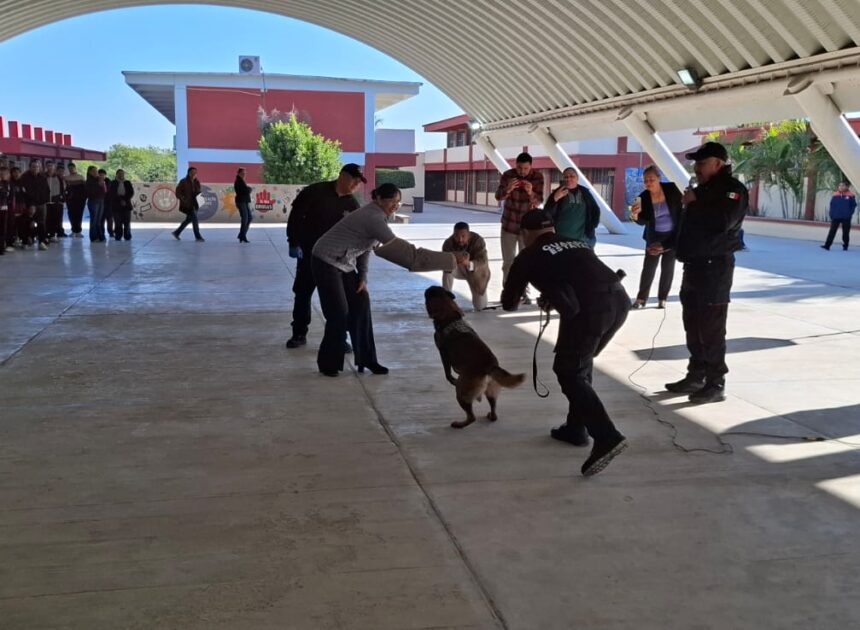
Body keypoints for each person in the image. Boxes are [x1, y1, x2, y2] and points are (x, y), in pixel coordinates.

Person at [501, 209, 629, 477]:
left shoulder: (528, 255)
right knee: (581, 364)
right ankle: (575, 428)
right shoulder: (575, 242)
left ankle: (606, 436)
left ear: (525, 234)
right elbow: (576, 278)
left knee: (569, 371)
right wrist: (551, 292)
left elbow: (509, 303)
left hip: (591, 310)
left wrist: (528, 287)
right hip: (619, 300)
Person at [311, 183, 465, 377]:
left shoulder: (378, 217)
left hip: (344, 263)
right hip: (325, 260)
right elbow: (410, 257)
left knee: (361, 303)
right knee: (339, 312)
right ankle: (328, 363)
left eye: (399, 202)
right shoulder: (372, 217)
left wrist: (363, 277)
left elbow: (366, 249)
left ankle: (367, 360)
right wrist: (451, 258)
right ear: (379, 199)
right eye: (392, 200)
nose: (396, 205)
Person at [660, 141, 748, 404]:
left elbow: (722, 222)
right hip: (694, 266)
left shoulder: (732, 191)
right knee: (693, 324)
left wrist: (695, 203)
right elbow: (688, 226)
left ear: (718, 164)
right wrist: (665, 244)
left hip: (715, 268)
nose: (696, 168)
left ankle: (715, 382)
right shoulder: (702, 190)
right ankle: (696, 374)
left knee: (711, 328)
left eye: (701, 163)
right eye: (695, 163)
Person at [285, 163, 365, 348]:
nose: (356, 184)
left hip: (336, 261)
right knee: (303, 293)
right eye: (354, 179)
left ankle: (339, 338)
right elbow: (296, 217)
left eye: (359, 182)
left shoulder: (352, 204)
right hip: (308, 254)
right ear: (343, 176)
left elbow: (357, 234)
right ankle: (299, 333)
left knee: (338, 301)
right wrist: (293, 242)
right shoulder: (315, 192)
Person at [630, 165, 682, 309]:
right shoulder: (643, 197)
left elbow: (680, 211)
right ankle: (641, 299)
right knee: (649, 268)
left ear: (659, 178)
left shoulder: (672, 189)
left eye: (651, 179)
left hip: (671, 236)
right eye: (645, 180)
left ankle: (662, 298)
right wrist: (634, 214)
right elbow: (642, 221)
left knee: (668, 268)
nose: (648, 183)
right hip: (654, 237)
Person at [496, 152, 543, 303]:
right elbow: (498, 196)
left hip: (528, 228)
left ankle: (525, 292)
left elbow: (539, 202)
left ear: (531, 166)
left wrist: (531, 192)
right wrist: (507, 189)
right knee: (508, 262)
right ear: (515, 165)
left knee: (526, 261)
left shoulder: (538, 177)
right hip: (509, 224)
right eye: (519, 168)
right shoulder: (508, 175)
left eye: (525, 168)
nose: (522, 171)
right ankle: (508, 292)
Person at [543, 167, 600, 247]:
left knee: (583, 259)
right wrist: (555, 199)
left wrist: (592, 226)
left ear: (577, 178)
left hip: (584, 239)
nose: (569, 179)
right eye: (566, 177)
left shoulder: (585, 192)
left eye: (572, 176)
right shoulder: (557, 192)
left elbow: (595, 210)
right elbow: (546, 213)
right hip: (562, 240)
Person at [441, 222, 490, 311]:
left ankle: (481, 300)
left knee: (480, 306)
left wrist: (468, 263)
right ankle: (446, 300)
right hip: (458, 269)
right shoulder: (448, 243)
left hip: (475, 272)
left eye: (463, 236)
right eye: (457, 236)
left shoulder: (478, 241)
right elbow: (444, 259)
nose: (460, 239)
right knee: (447, 267)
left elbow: (483, 262)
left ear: (469, 234)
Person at [20, 159, 51, 250]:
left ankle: (41, 241)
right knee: (28, 223)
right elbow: (25, 193)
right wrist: (31, 204)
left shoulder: (42, 177)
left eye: (37, 166)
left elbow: (47, 191)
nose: (35, 168)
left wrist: (44, 201)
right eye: (33, 166)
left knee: (42, 223)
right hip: (30, 205)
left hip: (41, 204)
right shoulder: (24, 178)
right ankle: (26, 241)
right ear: (30, 167)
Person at [821, 180, 856, 251]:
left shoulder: (851, 195)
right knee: (832, 231)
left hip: (846, 217)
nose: (840, 187)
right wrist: (831, 214)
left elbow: (853, 206)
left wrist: (849, 214)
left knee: (846, 233)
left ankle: (845, 246)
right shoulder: (835, 195)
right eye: (840, 185)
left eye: (843, 185)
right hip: (836, 216)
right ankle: (827, 246)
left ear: (846, 187)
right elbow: (832, 205)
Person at [172, 167, 204, 241]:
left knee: (189, 220)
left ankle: (176, 232)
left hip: (195, 205)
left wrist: (200, 198)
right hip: (187, 205)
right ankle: (198, 236)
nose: (194, 174)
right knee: (195, 220)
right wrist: (183, 199)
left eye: (195, 172)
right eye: (192, 172)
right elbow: (178, 193)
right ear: (189, 173)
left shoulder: (197, 182)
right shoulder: (183, 181)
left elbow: (198, 192)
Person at [108, 169, 134, 241]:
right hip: (116, 205)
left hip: (126, 204)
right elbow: (112, 193)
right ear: (116, 174)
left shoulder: (127, 182)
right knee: (117, 222)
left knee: (127, 221)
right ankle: (118, 235)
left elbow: (131, 192)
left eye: (122, 173)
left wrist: (125, 200)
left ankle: (127, 235)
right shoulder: (113, 183)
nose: (121, 175)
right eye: (119, 173)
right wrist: (120, 200)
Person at [44, 160, 66, 240]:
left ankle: (53, 234)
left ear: (54, 167)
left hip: (56, 200)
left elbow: (62, 189)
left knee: (55, 218)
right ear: (46, 167)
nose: (50, 167)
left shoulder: (59, 177)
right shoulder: (43, 176)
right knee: (46, 218)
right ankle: (46, 234)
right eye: (48, 165)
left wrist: (62, 199)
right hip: (45, 201)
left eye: (51, 165)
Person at [64, 163, 87, 237]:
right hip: (70, 199)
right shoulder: (66, 178)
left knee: (79, 215)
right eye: (69, 168)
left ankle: (78, 231)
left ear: (75, 168)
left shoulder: (81, 177)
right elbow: (64, 189)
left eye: (72, 168)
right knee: (71, 214)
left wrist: (84, 198)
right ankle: (73, 230)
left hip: (80, 199)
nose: (71, 169)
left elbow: (85, 189)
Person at [85, 166, 107, 242]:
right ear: (90, 172)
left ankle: (100, 236)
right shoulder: (89, 181)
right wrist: (99, 184)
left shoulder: (99, 179)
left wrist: (102, 183)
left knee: (99, 220)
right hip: (93, 201)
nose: (96, 172)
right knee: (94, 220)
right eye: (94, 171)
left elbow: (104, 191)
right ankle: (94, 237)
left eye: (96, 171)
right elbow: (90, 192)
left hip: (101, 200)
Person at [234, 168, 252, 243]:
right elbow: (244, 191)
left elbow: (245, 190)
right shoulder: (238, 181)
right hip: (241, 202)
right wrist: (249, 189)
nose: (244, 174)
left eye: (245, 173)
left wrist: (248, 189)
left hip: (245, 201)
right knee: (245, 218)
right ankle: (242, 236)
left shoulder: (241, 181)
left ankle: (242, 234)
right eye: (242, 173)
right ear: (238, 173)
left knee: (249, 217)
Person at [0, 165, 9, 255]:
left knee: (3, 229)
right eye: (1, 173)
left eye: (4, 174)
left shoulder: (7, 184)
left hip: (4, 209)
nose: (2, 175)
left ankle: (1, 247)